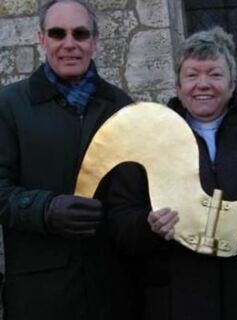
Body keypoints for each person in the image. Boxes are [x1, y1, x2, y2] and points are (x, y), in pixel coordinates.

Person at [104, 27, 237, 320]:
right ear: (178, 87)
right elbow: (118, 218)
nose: (202, 84)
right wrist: (147, 225)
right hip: (177, 304)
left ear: (232, 84)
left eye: (215, 74)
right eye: (192, 75)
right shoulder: (148, 145)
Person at [0, 1, 132, 319]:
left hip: (111, 290)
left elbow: (134, 191)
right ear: (42, 39)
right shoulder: (9, 105)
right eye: (58, 33)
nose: (69, 44)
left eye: (80, 34)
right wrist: (46, 209)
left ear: (95, 42)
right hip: (41, 294)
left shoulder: (121, 106)